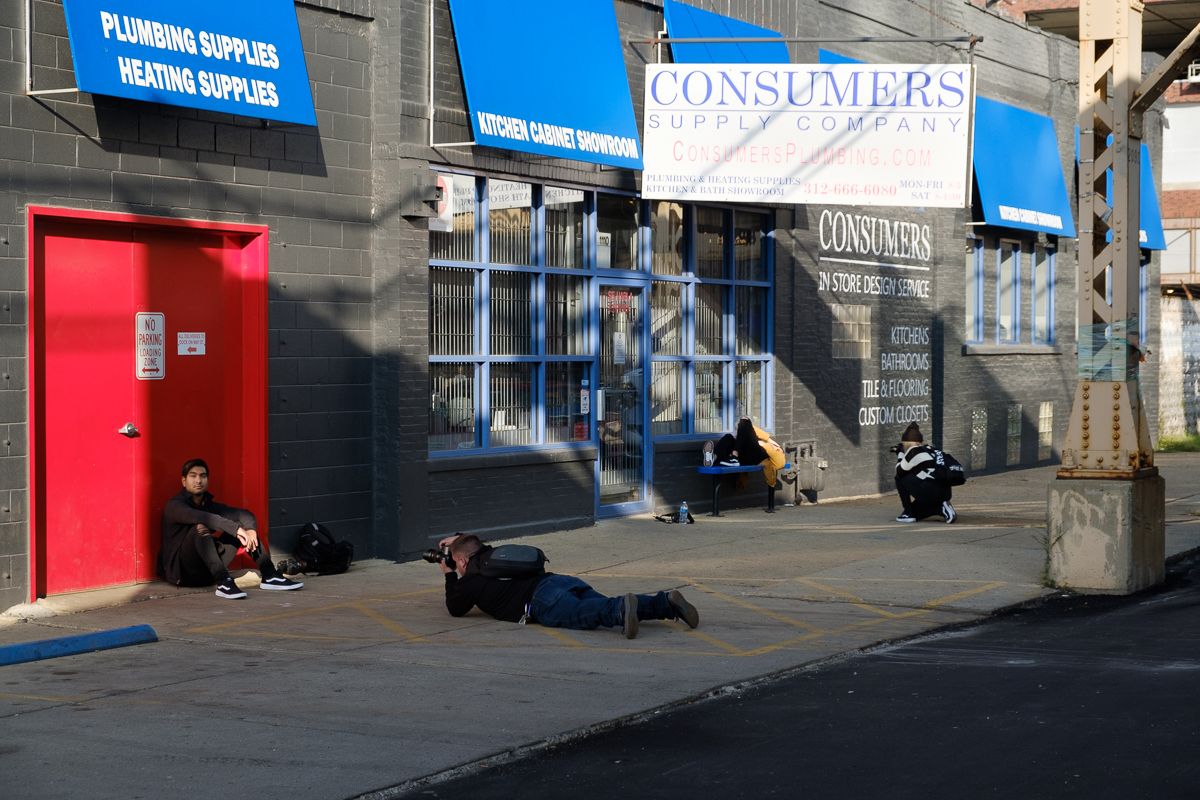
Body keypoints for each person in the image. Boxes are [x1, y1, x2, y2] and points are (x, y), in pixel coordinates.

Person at [437, 534, 700, 639]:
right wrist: (460, 538)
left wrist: (449, 574)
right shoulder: (495, 553)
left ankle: (621, 609)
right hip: (560, 580)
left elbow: (455, 608)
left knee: (590, 613)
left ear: (461, 560)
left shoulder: (470, 580)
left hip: (542, 600)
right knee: (602, 603)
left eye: (458, 563)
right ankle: (663, 603)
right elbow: (472, 545)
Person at [160, 459, 303, 598]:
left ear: (208, 481)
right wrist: (236, 529)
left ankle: (270, 575)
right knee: (200, 527)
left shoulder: (210, 505)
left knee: (243, 528)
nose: (198, 480)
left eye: (202, 476)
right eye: (193, 476)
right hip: (185, 574)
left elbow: (244, 514)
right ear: (184, 481)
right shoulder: (174, 506)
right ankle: (224, 583)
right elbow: (203, 518)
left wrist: (250, 530)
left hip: (209, 573)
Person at [894, 423, 956, 524]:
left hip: (931, 492)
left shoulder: (913, 451)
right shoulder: (931, 449)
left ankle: (908, 513)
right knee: (916, 514)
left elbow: (899, 471)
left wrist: (900, 453)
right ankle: (941, 509)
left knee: (899, 478)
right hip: (945, 492)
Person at [713, 417, 787, 491]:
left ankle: (733, 457)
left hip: (755, 457)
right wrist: (768, 439)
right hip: (743, 456)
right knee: (728, 437)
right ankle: (713, 458)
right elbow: (752, 428)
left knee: (745, 421)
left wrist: (765, 445)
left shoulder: (778, 451)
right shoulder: (767, 443)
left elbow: (780, 464)